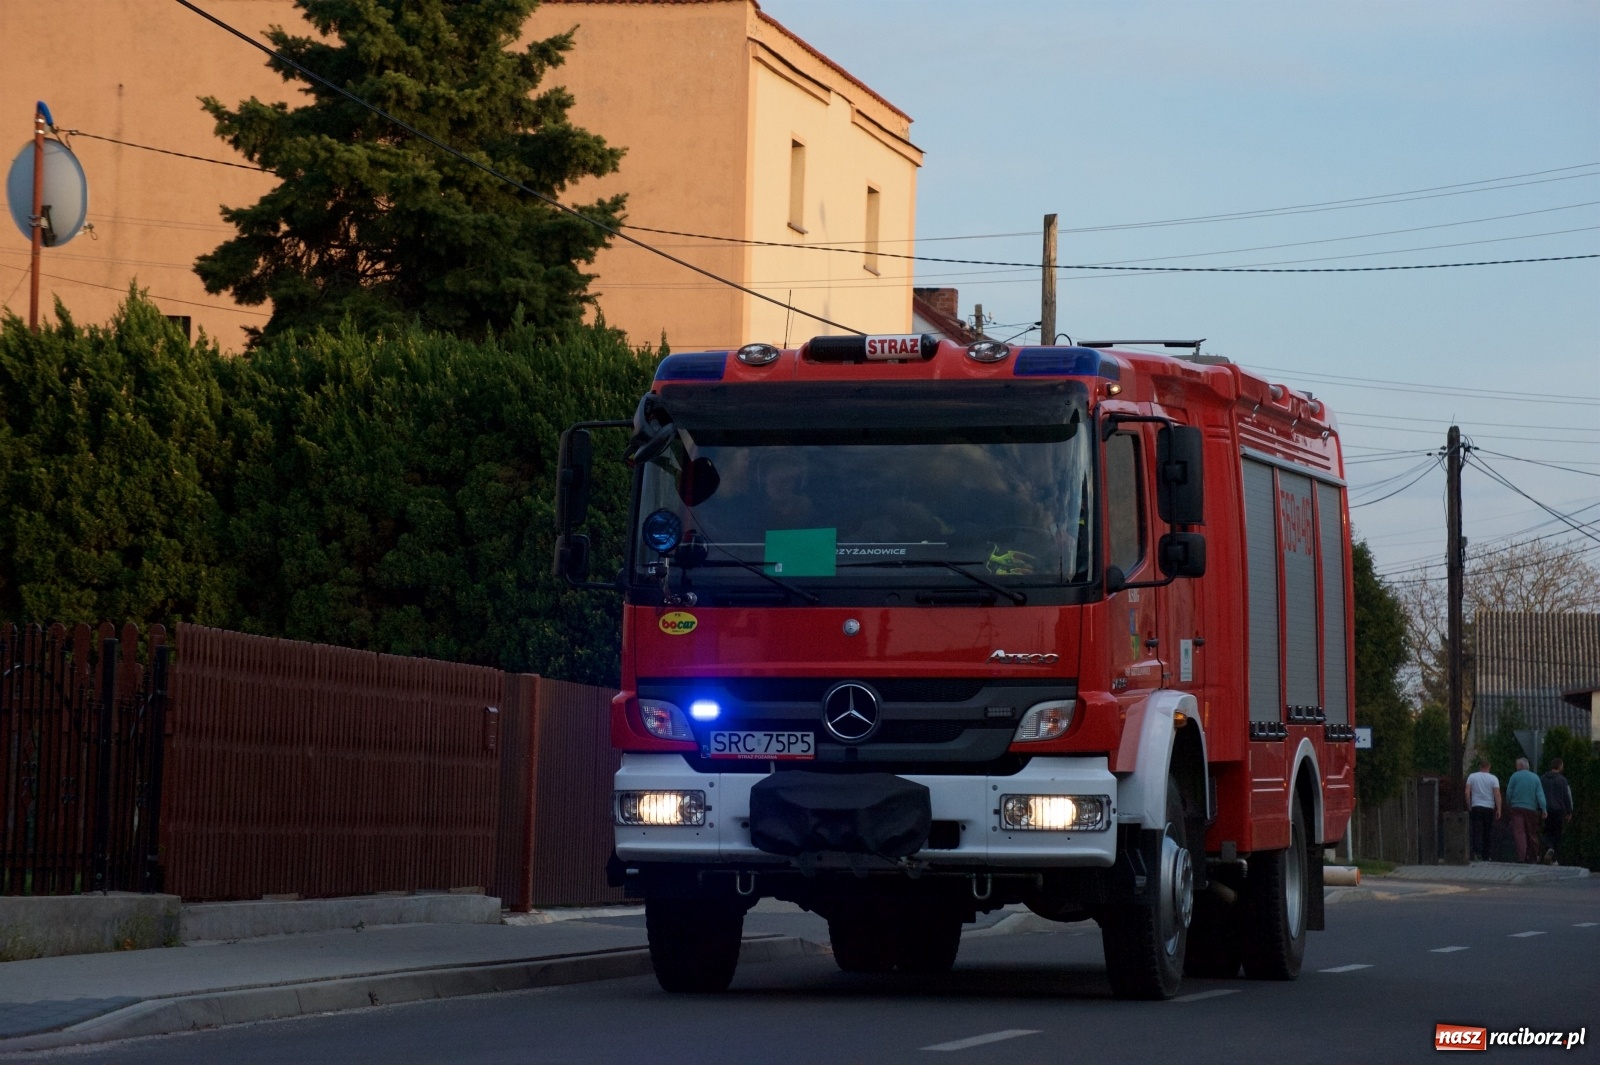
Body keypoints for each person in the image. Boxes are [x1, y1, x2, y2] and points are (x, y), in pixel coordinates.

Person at [1504, 757, 1548, 864]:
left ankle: (1521, 857)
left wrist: (1509, 804)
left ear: (1520, 766)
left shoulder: (1514, 776)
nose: (1516, 767)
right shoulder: (1535, 778)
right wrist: (1544, 808)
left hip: (1517, 808)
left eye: (1517, 765)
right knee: (1531, 832)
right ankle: (1533, 857)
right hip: (1531, 809)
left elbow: (1509, 792)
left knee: (1519, 833)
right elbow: (1540, 795)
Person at [1465, 758, 1501, 862]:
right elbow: (1497, 794)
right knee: (1487, 832)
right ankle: (1486, 855)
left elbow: (1467, 793)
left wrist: (1469, 804)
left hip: (1476, 806)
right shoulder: (1493, 778)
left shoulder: (1472, 777)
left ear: (1480, 767)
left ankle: (1476, 853)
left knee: (1475, 831)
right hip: (1489, 807)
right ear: (1489, 767)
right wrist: (1499, 809)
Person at [1541, 758, 1574, 865]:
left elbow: (1539, 793)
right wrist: (1569, 811)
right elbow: (1567, 796)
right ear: (1559, 766)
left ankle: (1548, 849)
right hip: (1559, 810)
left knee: (1546, 831)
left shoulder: (1543, 779)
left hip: (1546, 809)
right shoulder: (1562, 780)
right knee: (1557, 834)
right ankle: (1553, 857)